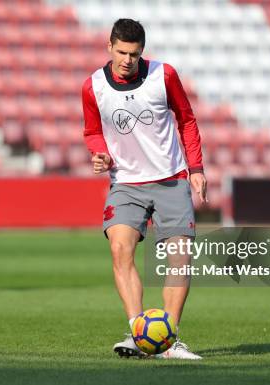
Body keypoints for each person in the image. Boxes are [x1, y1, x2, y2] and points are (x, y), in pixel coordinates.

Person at [82, 19, 207, 359]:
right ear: (110, 47)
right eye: (121, 52)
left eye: (134, 54)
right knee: (120, 249)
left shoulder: (164, 75)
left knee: (179, 259)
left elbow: (187, 119)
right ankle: (140, 335)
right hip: (126, 183)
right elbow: (92, 130)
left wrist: (195, 168)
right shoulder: (93, 86)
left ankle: (169, 341)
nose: (127, 59)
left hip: (171, 178)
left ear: (142, 52)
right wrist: (100, 154)